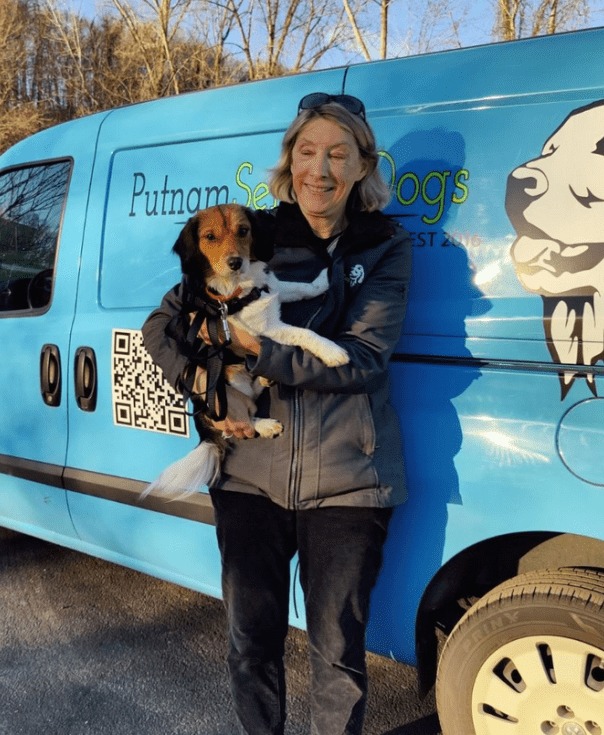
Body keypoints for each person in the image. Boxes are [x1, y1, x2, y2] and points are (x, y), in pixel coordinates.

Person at [142, 92, 412, 735]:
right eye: (308, 152)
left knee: (339, 659)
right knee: (250, 642)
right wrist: (203, 379)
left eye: (338, 154)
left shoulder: (385, 247)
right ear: (289, 162)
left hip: (348, 479)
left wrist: (251, 351)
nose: (321, 170)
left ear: (363, 166)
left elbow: (365, 359)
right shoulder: (249, 234)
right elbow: (161, 326)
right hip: (248, 478)